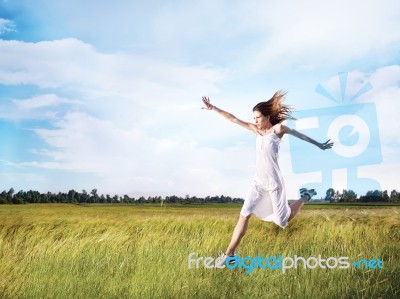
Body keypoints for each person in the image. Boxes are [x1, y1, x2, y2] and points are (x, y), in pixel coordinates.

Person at [201, 91, 333, 265]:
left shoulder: (278, 130)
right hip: (258, 183)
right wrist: (213, 108)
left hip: (274, 184)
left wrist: (320, 145)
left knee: (283, 220)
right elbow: (232, 119)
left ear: (267, 116)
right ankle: (229, 255)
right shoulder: (255, 130)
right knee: (244, 215)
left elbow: (300, 135)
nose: (255, 121)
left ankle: (305, 196)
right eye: (254, 118)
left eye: (257, 117)